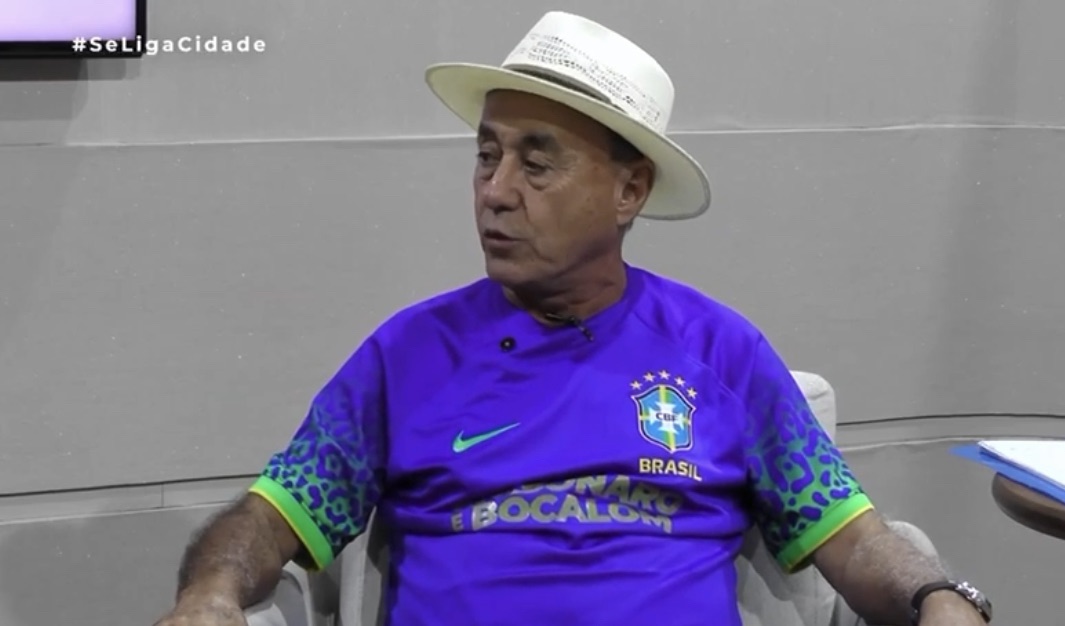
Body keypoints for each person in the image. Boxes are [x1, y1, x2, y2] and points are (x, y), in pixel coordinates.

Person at [154, 11, 993, 626]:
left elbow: (851, 536)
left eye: (536, 164)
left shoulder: (719, 351)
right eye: (487, 156)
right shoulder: (406, 354)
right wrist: (210, 593)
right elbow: (272, 513)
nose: (495, 191)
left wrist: (938, 597)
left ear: (628, 191)